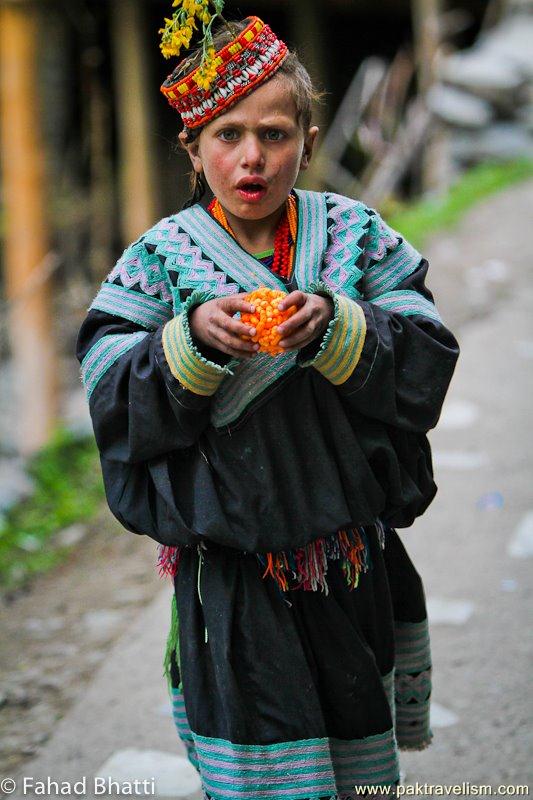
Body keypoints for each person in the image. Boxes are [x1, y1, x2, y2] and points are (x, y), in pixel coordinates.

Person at [76, 5, 459, 799]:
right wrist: (191, 343)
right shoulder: (158, 261)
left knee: (355, 755)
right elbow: (109, 384)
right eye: (226, 135)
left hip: (348, 559)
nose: (251, 157)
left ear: (308, 143)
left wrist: (340, 324)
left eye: (275, 134)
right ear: (191, 146)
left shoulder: (354, 235)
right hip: (234, 576)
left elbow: (423, 352)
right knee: (265, 771)